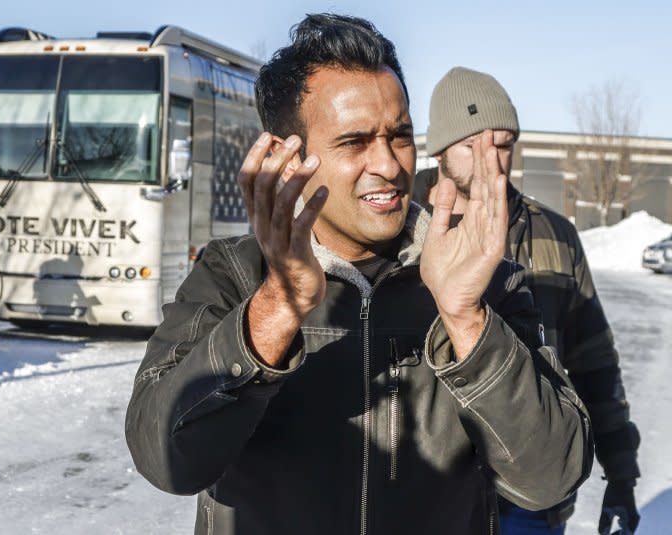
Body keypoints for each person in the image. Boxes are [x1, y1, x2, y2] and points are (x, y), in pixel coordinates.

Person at [125, 14, 592, 535]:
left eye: (400, 136)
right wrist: (277, 308)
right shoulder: (232, 273)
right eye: (353, 142)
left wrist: (465, 319)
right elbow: (166, 458)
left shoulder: (487, 282)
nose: (390, 166)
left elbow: (552, 477)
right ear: (287, 157)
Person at [414, 66, 640, 535]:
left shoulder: (555, 234)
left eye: (503, 142)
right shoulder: (400, 227)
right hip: (429, 488)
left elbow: (593, 360)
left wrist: (621, 473)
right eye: (473, 144)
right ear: (439, 150)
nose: (492, 158)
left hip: (530, 500)